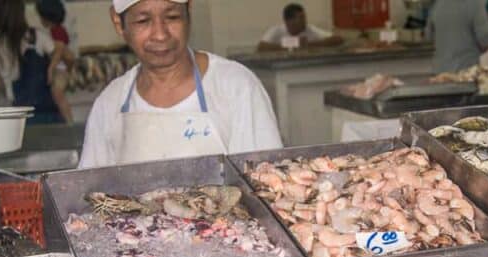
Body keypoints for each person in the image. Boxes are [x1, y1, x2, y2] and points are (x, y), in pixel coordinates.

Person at [78, 0, 282, 168]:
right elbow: (88, 195)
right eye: (143, 21)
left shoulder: (236, 87)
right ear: (118, 23)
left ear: (189, 12)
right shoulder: (110, 103)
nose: (160, 34)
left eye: (172, 17)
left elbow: (265, 185)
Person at [0, 0, 62, 123]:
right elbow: (59, 50)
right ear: (21, 13)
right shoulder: (35, 35)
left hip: (15, 111)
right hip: (44, 109)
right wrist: (52, 67)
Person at [426, 0, 488, 73]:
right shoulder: (475, 4)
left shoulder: (436, 5)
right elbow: (486, 41)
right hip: (467, 73)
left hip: (440, 73)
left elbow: (429, 36)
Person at [36, 0, 75, 123]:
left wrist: (51, 68)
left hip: (61, 70)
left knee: (57, 94)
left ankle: (69, 121)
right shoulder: (56, 30)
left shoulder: (57, 31)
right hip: (61, 68)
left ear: (47, 17)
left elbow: (59, 51)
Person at [258, 4, 343, 51]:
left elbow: (337, 39)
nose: (304, 21)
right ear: (289, 21)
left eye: (304, 17)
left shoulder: (309, 29)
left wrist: (309, 45)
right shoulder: (276, 31)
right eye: (301, 18)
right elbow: (261, 47)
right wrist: (293, 44)